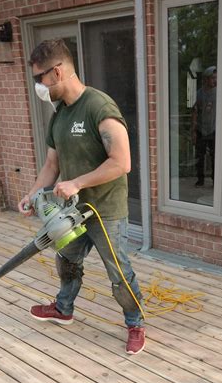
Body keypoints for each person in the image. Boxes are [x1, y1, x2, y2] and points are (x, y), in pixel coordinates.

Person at [18, 39, 145, 355]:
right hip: (71, 212)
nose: (39, 86)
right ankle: (64, 309)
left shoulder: (99, 107)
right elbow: (52, 163)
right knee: (67, 260)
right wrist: (32, 194)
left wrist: (77, 182)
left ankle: (135, 323)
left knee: (119, 272)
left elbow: (121, 162)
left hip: (105, 211)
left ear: (57, 72)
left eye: (40, 78)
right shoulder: (59, 115)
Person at [191, 66, 217, 187]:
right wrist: (194, 131)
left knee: (215, 156)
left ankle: (215, 180)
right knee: (200, 157)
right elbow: (195, 112)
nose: (214, 80)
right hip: (201, 129)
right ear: (206, 79)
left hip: (215, 129)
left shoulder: (219, 93)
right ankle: (200, 180)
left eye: (216, 78)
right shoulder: (199, 94)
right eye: (212, 78)